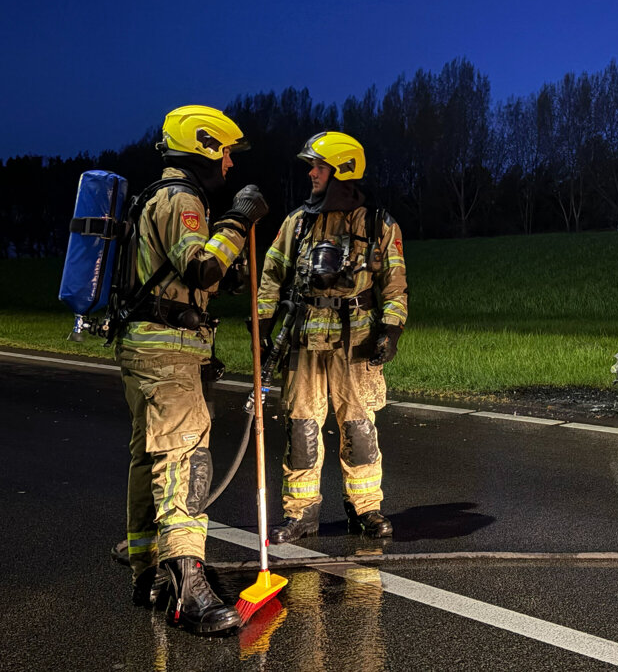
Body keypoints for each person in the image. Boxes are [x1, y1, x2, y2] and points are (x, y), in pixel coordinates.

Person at [118, 105, 268, 635]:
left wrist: (226, 273)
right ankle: (189, 586)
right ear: (202, 147)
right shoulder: (182, 199)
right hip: (167, 354)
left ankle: (148, 572)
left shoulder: (153, 197)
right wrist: (239, 218)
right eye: (225, 152)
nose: (228, 165)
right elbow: (199, 265)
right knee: (185, 455)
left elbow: (191, 277)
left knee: (149, 458)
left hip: (143, 348)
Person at [257, 131, 407, 544]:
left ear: (342, 170)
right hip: (304, 341)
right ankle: (301, 514)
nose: (311, 173)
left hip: (356, 343)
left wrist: (391, 330)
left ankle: (366, 509)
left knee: (359, 428)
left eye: (318, 166)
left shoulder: (378, 223)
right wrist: (264, 325)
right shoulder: (298, 222)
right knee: (302, 429)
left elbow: (395, 288)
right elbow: (271, 275)